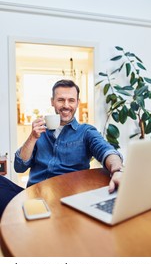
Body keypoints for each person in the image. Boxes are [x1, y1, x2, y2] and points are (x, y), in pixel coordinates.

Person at [0, 79, 123, 218]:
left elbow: (107, 151)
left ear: (77, 102)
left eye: (71, 100)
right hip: (33, 199)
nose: (66, 105)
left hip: (66, 200)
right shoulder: (39, 132)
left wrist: (118, 170)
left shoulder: (86, 132)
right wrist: (32, 137)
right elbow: (19, 167)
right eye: (61, 100)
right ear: (52, 101)